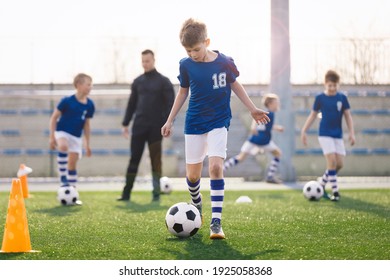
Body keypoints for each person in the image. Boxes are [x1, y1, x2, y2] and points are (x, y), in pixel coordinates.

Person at [161, 18, 270, 239]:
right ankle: (197, 204)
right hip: (194, 123)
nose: (193, 54)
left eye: (197, 49)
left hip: (219, 121)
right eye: (189, 50)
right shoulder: (186, 65)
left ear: (207, 41)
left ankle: (216, 223)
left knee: (216, 168)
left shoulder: (225, 62)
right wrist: (169, 119)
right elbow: (183, 92)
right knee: (192, 176)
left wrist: (252, 108)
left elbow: (235, 84)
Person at [117, 49, 175, 202]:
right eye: (143, 61)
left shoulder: (164, 82)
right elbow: (131, 104)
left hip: (156, 128)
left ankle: (156, 194)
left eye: (147, 61)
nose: (145, 64)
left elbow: (170, 104)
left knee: (156, 160)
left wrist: (169, 123)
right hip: (139, 127)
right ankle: (126, 194)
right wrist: (125, 123)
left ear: (154, 60)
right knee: (134, 159)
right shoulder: (137, 82)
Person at [300, 70, 355, 201]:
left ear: (338, 85)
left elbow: (348, 115)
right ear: (325, 84)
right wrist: (304, 131)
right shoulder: (320, 98)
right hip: (324, 134)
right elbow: (313, 115)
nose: (332, 88)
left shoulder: (342, 98)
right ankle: (335, 192)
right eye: (330, 85)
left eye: (334, 86)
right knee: (332, 161)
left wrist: (351, 132)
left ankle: (321, 185)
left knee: (339, 164)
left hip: (338, 134)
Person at [49, 73, 95, 204]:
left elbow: (86, 125)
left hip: (76, 137)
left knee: (72, 163)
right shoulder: (67, 101)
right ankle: (63, 179)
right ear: (79, 85)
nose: (90, 87)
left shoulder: (90, 105)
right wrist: (52, 137)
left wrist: (87, 144)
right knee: (63, 146)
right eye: (88, 84)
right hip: (62, 132)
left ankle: (72, 192)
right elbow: (53, 118)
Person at [224, 93, 284, 183]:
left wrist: (254, 127)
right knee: (278, 153)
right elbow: (265, 126)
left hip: (254, 139)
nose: (278, 104)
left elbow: (259, 122)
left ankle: (222, 169)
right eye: (276, 102)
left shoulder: (265, 112)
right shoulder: (270, 113)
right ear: (270, 104)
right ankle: (270, 176)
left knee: (240, 157)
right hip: (263, 139)